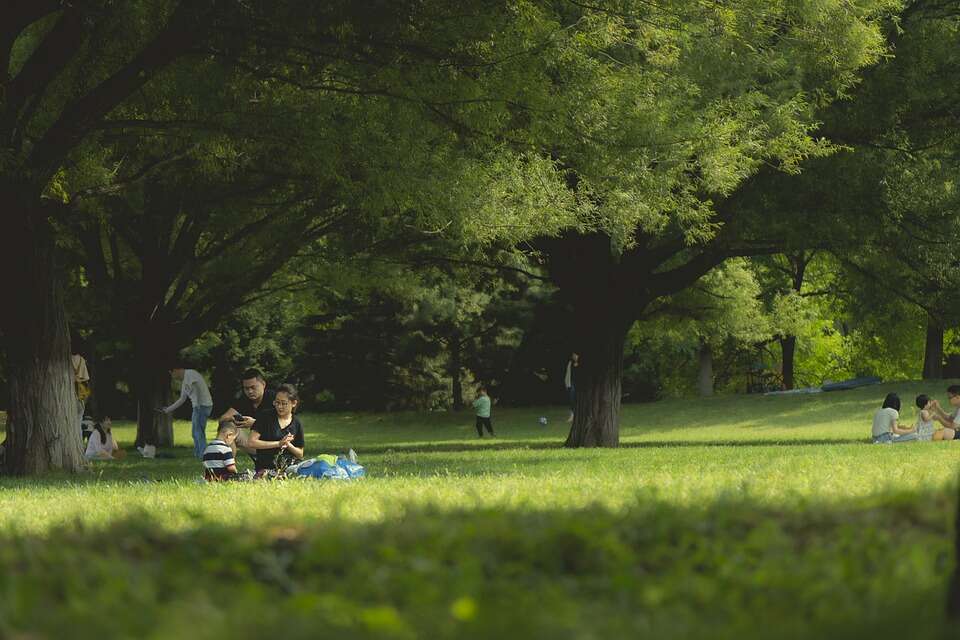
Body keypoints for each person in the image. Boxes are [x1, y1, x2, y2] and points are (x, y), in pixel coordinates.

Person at [217, 368, 276, 459]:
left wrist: (255, 423)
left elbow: (283, 426)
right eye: (246, 388)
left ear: (263, 384)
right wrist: (232, 419)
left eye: (253, 387)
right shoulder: (244, 400)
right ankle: (227, 468)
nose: (250, 391)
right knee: (227, 426)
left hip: (276, 446)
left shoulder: (275, 399)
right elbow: (222, 419)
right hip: (255, 444)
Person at [159, 365, 214, 459]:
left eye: (171, 374)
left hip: (202, 406)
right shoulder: (185, 381)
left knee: (198, 432)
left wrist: (199, 405)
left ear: (176, 370)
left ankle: (203, 454)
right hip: (198, 407)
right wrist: (168, 409)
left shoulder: (190, 373)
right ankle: (198, 454)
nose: (172, 377)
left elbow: (197, 388)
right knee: (195, 432)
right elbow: (182, 399)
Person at [248, 383, 305, 473]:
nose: (279, 407)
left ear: (293, 403)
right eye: (277, 402)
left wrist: (288, 444)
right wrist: (278, 443)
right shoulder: (265, 416)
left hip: (290, 466)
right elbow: (252, 442)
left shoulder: (297, 423)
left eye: (284, 403)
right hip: (267, 467)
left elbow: (300, 454)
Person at [71, 337, 91, 434]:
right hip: (80, 396)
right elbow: (85, 380)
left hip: (70, 395)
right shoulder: (82, 360)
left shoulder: (66, 359)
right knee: (79, 421)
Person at [564, 352, 580, 423]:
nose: (574, 356)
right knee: (572, 400)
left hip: (579, 385)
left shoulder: (582, 364)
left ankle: (579, 415)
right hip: (572, 384)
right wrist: (567, 384)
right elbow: (568, 374)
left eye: (575, 355)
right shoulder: (570, 363)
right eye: (573, 355)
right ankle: (572, 415)